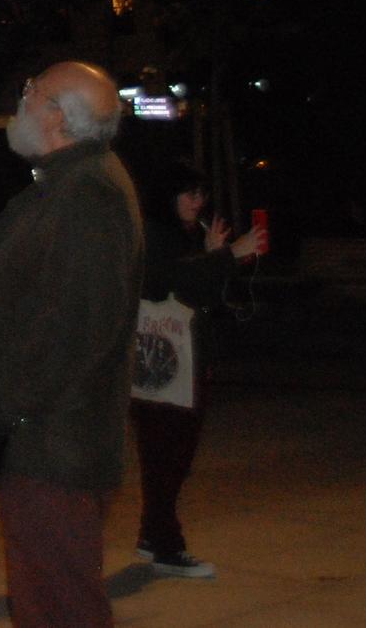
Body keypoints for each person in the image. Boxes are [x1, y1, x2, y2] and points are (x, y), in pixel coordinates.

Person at [0, 61, 142, 628]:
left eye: (30, 92)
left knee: (59, 602)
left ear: (58, 115)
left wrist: (2, 405)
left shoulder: (86, 195)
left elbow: (77, 331)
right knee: (47, 595)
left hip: (53, 443)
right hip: (47, 437)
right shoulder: (70, 183)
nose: (21, 103)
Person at [131, 161, 266, 578]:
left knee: (174, 456)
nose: (197, 201)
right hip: (161, 364)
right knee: (166, 454)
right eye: (189, 193)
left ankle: (155, 537)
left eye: (201, 193)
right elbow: (161, 283)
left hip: (184, 361)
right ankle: (165, 543)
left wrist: (215, 256)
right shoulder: (151, 234)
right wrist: (226, 257)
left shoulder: (185, 235)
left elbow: (197, 290)